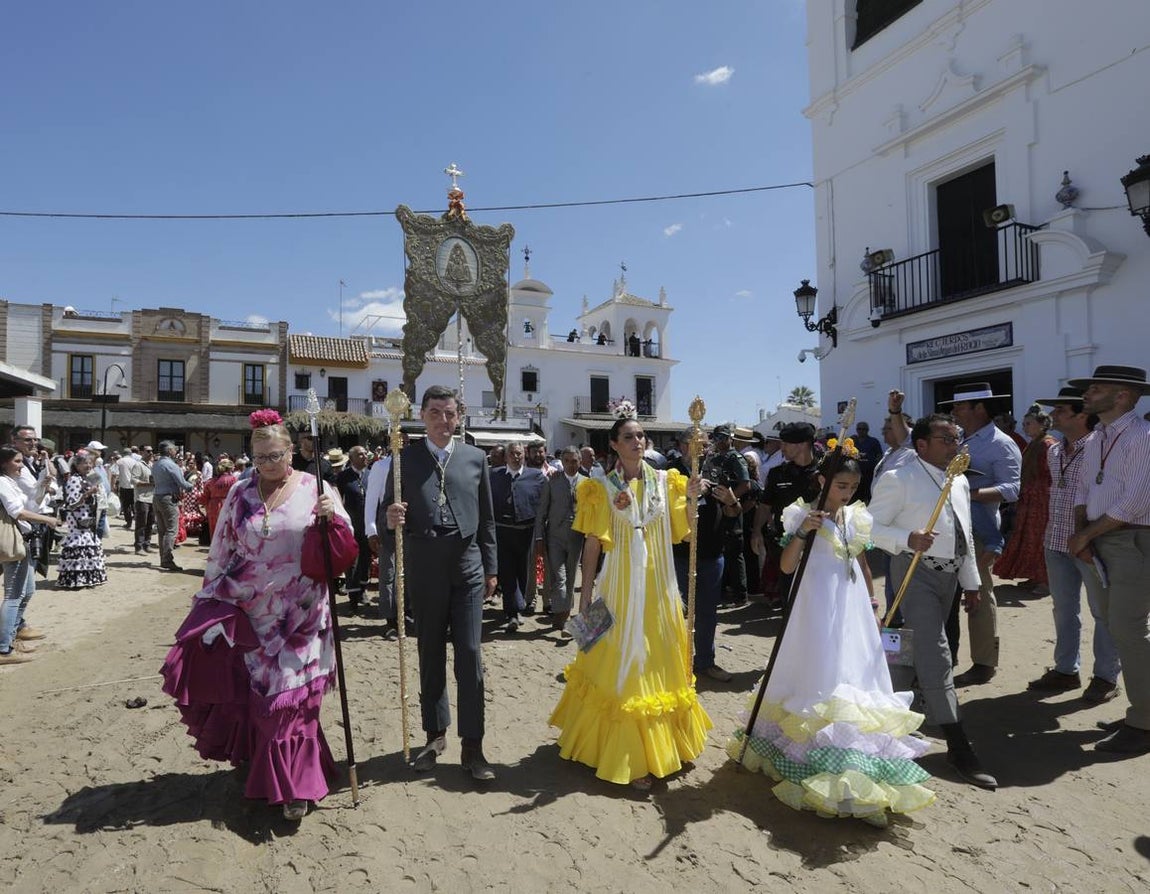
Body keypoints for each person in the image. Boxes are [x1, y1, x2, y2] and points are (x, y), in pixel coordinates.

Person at [160, 409, 349, 821]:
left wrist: (330, 519)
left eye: (275, 456)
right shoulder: (240, 493)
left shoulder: (317, 489)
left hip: (302, 616)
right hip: (252, 614)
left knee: (294, 702)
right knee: (264, 701)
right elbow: (222, 548)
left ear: (291, 454)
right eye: (259, 457)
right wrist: (209, 601)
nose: (267, 465)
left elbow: (345, 547)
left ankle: (296, 788)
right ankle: (283, 768)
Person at [728, 448, 935, 822]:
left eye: (854, 486)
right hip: (814, 608)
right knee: (817, 673)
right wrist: (804, 531)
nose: (848, 493)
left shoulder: (857, 517)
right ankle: (808, 760)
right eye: (841, 485)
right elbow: (788, 566)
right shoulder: (799, 514)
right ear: (822, 481)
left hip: (852, 609)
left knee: (857, 674)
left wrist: (873, 604)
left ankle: (859, 763)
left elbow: (861, 559)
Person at [549, 414, 711, 791]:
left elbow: (681, 531)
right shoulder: (599, 487)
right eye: (629, 436)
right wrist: (585, 593)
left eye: (641, 435)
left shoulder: (666, 480)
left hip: (658, 585)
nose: (637, 441)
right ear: (615, 446)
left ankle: (665, 746)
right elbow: (592, 544)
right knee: (617, 658)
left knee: (659, 654)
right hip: (619, 585)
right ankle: (628, 755)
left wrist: (690, 500)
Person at [868, 413, 998, 789]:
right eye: (945, 439)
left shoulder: (956, 480)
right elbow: (869, 526)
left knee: (908, 649)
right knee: (937, 652)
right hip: (913, 571)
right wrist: (906, 538)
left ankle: (887, 719)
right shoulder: (899, 478)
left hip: (949, 577)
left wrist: (970, 583)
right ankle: (959, 746)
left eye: (956, 438)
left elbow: (964, 534)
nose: (954, 445)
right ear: (921, 444)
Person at [383, 385, 498, 782]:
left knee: (469, 653)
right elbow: (388, 517)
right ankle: (435, 736)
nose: (443, 421)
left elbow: (486, 520)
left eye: (449, 414)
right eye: (435, 413)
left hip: (466, 564)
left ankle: (473, 745)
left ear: (458, 416)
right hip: (425, 563)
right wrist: (391, 517)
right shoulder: (404, 459)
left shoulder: (475, 458)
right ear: (422, 414)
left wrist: (492, 567)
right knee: (429, 650)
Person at [1065, 365, 1150, 755]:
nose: (1087, 393)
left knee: (1129, 629)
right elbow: (1083, 488)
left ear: (1122, 396)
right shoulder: (1098, 435)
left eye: (1096, 388)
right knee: (1117, 627)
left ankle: (1144, 721)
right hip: (1101, 539)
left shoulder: (1141, 436)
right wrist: (1082, 531)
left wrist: (1085, 535)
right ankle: (1141, 710)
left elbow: (1133, 502)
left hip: (1130, 539)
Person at [1026, 386, 1120, 703]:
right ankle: (1066, 669)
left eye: (1061, 410)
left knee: (1102, 612)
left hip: (1091, 543)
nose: (1053, 415)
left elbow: (1110, 499)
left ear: (1082, 415)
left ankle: (1106, 676)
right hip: (1057, 540)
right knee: (1064, 609)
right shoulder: (1055, 451)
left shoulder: (1100, 447)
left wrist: (1088, 537)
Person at [941, 383, 1022, 686]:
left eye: (960, 407)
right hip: (949, 529)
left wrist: (970, 493)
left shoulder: (1001, 444)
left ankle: (985, 661)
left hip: (979, 531)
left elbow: (1013, 489)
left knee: (978, 594)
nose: (955, 412)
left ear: (979, 409)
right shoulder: (958, 440)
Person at [674, 456, 741, 682]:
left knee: (707, 614)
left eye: (703, 444)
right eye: (694, 443)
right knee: (675, 612)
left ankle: (704, 663)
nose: (699, 449)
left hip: (712, 557)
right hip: (680, 557)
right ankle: (673, 665)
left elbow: (734, 512)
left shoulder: (716, 473)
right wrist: (691, 494)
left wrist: (732, 501)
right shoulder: (671, 473)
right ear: (684, 446)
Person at [0, 446, 61, 664]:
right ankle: (3, 648)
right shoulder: (2, 482)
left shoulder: (9, 482)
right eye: (16, 461)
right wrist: (48, 519)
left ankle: (11, 638)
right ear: (4, 463)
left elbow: (29, 504)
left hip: (23, 540)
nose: (21, 465)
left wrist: (42, 488)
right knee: (13, 595)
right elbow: (19, 512)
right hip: (15, 542)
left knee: (27, 590)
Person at [751, 422, 821, 606]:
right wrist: (757, 531)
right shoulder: (778, 474)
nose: (782, 448)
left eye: (786, 443)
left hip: (818, 545)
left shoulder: (824, 473)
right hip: (785, 545)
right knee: (789, 596)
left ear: (803, 444)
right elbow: (765, 506)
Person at [994, 405, 1057, 591]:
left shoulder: (1048, 444)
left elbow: (1050, 474)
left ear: (1042, 424)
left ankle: (1045, 580)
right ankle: (1033, 576)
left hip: (1042, 500)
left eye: (1029, 423)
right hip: (1029, 499)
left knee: (1040, 539)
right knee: (1028, 538)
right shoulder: (1035, 443)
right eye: (1024, 423)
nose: (1025, 427)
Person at [489, 442, 546, 632]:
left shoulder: (536, 477)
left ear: (525, 456)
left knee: (524, 572)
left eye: (520, 454)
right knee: (507, 572)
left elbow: (544, 505)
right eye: (512, 454)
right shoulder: (493, 476)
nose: (516, 457)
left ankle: (516, 607)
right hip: (502, 532)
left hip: (526, 532)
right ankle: (512, 612)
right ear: (506, 457)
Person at [532, 446, 584, 629]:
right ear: (562, 462)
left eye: (574, 461)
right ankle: (561, 614)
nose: (570, 464)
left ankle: (563, 610)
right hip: (554, 536)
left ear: (580, 462)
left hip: (577, 537)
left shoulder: (587, 483)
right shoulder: (552, 482)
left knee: (571, 577)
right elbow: (541, 513)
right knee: (559, 576)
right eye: (567, 461)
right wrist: (539, 537)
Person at [56, 450, 108, 589]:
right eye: (85, 463)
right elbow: (72, 504)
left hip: (88, 517)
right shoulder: (74, 479)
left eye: (90, 462)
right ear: (77, 465)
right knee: (79, 548)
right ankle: (76, 579)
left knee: (88, 548)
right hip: (78, 518)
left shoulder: (89, 478)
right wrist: (87, 494)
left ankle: (86, 578)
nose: (89, 465)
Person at [335, 445, 372, 611]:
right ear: (351, 458)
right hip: (351, 526)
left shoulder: (371, 475)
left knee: (366, 559)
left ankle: (363, 590)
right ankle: (353, 598)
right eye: (360, 454)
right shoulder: (343, 477)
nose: (364, 456)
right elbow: (337, 500)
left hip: (368, 525)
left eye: (365, 454)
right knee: (352, 561)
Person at [152, 441, 193, 571]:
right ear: (169, 451)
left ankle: (163, 558)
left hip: (157, 496)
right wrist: (192, 484)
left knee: (162, 530)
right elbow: (182, 483)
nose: (176, 451)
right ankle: (167, 559)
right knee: (171, 530)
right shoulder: (171, 465)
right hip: (168, 498)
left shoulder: (156, 464)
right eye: (174, 449)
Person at [201, 457, 238, 540]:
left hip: (213, 506)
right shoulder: (233, 480)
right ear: (229, 468)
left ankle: (215, 549)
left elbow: (204, 498)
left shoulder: (210, 482)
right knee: (228, 529)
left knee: (214, 530)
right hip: (228, 505)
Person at [131, 446, 155, 555]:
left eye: (151, 451)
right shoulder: (138, 465)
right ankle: (139, 546)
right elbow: (134, 480)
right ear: (141, 452)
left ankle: (147, 544)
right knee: (141, 524)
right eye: (148, 451)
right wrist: (148, 484)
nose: (151, 453)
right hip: (142, 498)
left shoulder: (152, 465)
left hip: (152, 497)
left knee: (150, 523)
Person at [113, 447, 139, 530]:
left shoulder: (119, 461)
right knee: (134, 505)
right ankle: (137, 521)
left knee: (126, 505)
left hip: (124, 486)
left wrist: (113, 485)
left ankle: (129, 522)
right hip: (134, 486)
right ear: (130, 454)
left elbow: (114, 474)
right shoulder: (135, 462)